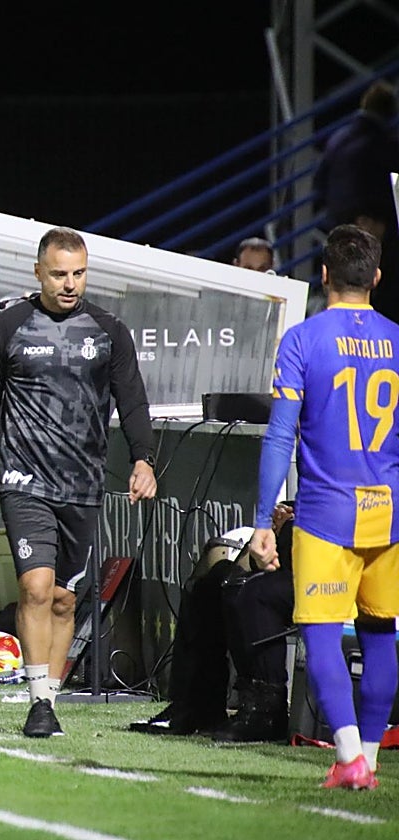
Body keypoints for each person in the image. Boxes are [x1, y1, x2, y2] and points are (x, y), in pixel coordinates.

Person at [0, 226, 157, 738]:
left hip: (83, 486)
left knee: (64, 600)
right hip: (23, 479)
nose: (70, 284)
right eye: (59, 274)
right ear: (37, 272)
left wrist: (144, 459)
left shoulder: (108, 330)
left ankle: (48, 697)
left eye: (78, 273)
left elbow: (132, 400)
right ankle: (39, 703)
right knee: (34, 587)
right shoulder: (7, 327)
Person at [250, 224, 399, 791]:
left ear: (324, 275)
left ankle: (347, 757)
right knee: (380, 633)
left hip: (326, 513)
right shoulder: (398, 340)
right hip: (390, 512)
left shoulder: (304, 339)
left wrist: (263, 521)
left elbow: (279, 436)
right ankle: (370, 757)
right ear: (377, 277)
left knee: (320, 633)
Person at [131, 505, 295, 743]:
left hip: (328, 575)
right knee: (214, 580)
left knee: (252, 591)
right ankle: (197, 704)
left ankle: (266, 711)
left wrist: (291, 525)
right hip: (300, 551)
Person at [314, 82, 399, 319]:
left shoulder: (337, 139)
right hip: (376, 236)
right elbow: (386, 190)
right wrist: (375, 221)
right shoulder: (385, 144)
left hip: (338, 230)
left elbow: (319, 185)